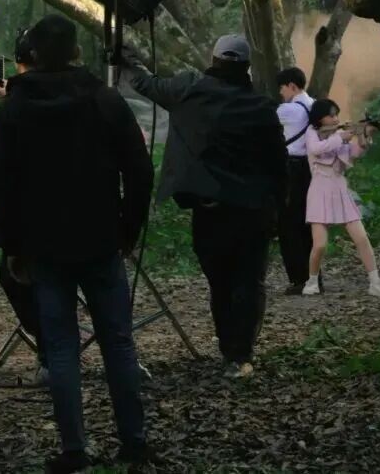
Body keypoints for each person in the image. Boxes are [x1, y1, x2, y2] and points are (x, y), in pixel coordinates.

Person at [0, 15, 155, 473]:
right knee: (118, 343)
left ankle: (74, 449)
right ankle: (134, 442)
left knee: (61, 347)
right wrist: (128, 228)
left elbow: (0, 185)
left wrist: (13, 246)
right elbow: (139, 170)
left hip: (43, 246)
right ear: (77, 52)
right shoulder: (105, 100)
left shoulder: (14, 110)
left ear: (32, 57)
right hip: (100, 238)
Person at [122, 34, 287, 379]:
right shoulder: (261, 107)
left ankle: (230, 348)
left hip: (209, 212)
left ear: (213, 60)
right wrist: (280, 211)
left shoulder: (188, 90)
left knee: (220, 282)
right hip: (253, 212)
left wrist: (126, 56)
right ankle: (239, 354)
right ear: (246, 67)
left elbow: (146, 83)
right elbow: (278, 165)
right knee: (248, 282)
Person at [0, 29, 47, 386]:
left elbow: (2, 169)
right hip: (90, 222)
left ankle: (51, 351)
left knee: (16, 277)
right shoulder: (94, 95)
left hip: (34, 222)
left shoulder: (13, 111)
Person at [303, 99, 380, 298]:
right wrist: (342, 136)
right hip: (319, 190)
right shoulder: (312, 132)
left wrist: (364, 135)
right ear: (320, 118)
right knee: (319, 244)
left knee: (361, 238)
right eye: (331, 115)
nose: (336, 119)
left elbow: (353, 153)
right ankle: (311, 282)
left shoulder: (338, 135)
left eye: (336, 115)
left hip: (340, 188)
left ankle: (375, 282)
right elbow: (316, 149)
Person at [276, 67, 316, 295]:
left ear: (292, 86)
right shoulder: (314, 105)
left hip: (291, 170)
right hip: (310, 170)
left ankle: (299, 279)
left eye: (282, 88)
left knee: (288, 225)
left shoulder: (287, 110)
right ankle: (314, 277)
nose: (281, 93)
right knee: (307, 225)